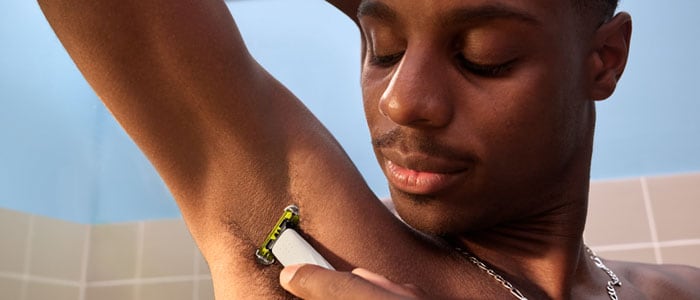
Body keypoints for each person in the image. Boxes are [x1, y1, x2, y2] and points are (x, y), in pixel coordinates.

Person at [38, 0, 700, 299]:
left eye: (483, 56)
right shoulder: (327, 239)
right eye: (380, 44)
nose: (401, 101)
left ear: (604, 60)